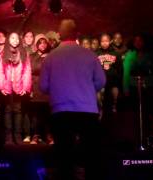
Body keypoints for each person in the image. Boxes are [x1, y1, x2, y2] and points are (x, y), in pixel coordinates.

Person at [40, 19, 106, 180]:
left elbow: (43, 87)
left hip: (61, 110)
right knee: (91, 155)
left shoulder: (50, 58)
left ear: (60, 34)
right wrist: (86, 91)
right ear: (76, 34)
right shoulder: (90, 55)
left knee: (64, 156)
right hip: (87, 110)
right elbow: (101, 81)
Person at [0, 32, 32, 145]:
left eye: (16, 38)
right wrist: (1, 86)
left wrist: (26, 88)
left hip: (19, 86)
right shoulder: (2, 53)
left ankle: (17, 135)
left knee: (18, 111)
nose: (15, 40)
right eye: (12, 38)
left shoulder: (23, 53)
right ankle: (8, 136)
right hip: (7, 86)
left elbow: (27, 71)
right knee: (7, 111)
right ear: (8, 39)